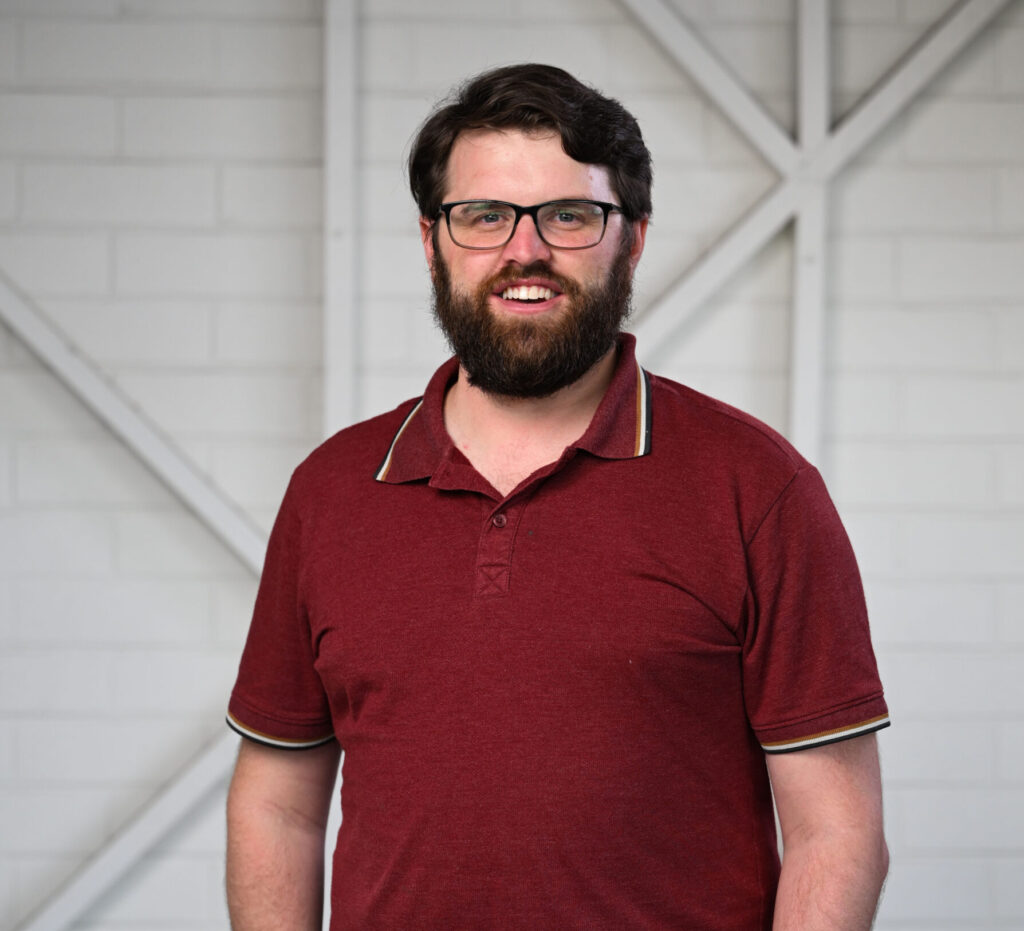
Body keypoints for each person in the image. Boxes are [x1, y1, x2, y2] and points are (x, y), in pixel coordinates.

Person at [225, 63, 890, 930]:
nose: (524, 249)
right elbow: (278, 801)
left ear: (634, 238)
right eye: (484, 216)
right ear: (432, 241)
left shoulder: (758, 489)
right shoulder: (333, 491)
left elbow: (835, 832)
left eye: (570, 215)